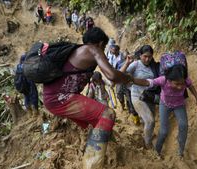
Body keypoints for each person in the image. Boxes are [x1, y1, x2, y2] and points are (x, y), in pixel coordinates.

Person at [42, 27, 133, 169]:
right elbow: (112, 75)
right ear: (101, 43)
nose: (103, 51)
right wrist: (128, 78)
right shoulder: (93, 50)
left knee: (93, 124)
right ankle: (91, 165)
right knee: (108, 114)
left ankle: (111, 149)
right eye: (104, 47)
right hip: (61, 98)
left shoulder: (78, 50)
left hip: (52, 99)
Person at [133, 64, 197, 158]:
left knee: (184, 126)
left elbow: (190, 86)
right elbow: (147, 82)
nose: (180, 87)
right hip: (165, 105)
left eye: (182, 84)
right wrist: (132, 80)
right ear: (169, 80)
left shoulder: (185, 79)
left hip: (179, 105)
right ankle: (157, 151)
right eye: (176, 84)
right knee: (164, 131)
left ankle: (180, 152)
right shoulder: (163, 80)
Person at [120, 45, 158, 148]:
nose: (147, 59)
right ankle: (147, 145)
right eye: (145, 56)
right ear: (140, 55)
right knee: (150, 120)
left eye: (150, 57)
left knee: (150, 122)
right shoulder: (136, 64)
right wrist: (127, 62)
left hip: (150, 97)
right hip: (137, 96)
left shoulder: (154, 66)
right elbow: (119, 74)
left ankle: (146, 137)